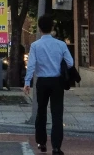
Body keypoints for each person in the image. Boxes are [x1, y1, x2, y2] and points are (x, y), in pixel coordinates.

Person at [23, 15, 74, 155]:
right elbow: (70, 63)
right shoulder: (61, 44)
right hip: (57, 82)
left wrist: (27, 82)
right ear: (52, 27)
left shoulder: (35, 46)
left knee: (41, 111)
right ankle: (56, 147)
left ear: (39, 28)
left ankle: (41, 142)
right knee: (57, 114)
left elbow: (31, 65)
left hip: (42, 82)